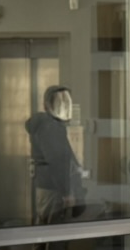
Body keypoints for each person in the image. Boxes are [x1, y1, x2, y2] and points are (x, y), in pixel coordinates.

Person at [26, 85, 86, 224]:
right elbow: (58, 162)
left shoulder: (51, 126)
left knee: (48, 226)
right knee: (53, 229)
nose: (64, 106)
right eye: (59, 102)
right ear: (47, 105)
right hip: (54, 189)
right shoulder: (50, 128)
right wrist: (66, 193)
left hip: (50, 187)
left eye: (66, 101)